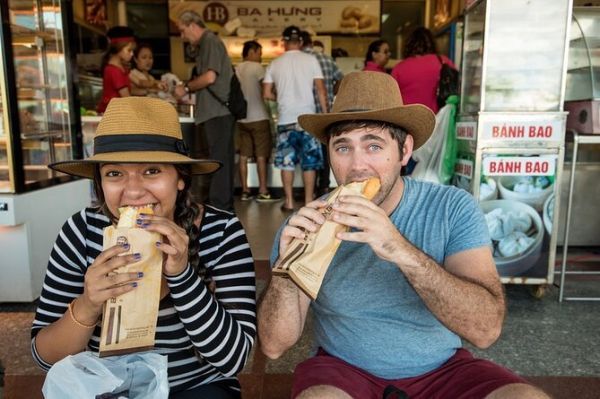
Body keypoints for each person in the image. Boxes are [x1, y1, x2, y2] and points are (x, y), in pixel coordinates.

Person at [257, 72, 549, 399]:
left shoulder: (452, 207)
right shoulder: (309, 222)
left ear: (404, 150)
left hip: (444, 369)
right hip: (342, 368)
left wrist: (399, 249)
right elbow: (273, 347)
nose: (357, 166)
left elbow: (485, 330)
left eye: (373, 145)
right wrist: (285, 271)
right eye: (343, 147)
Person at [32, 97, 257, 399]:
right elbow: (45, 357)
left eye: (152, 170)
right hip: (106, 387)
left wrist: (182, 275)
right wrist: (88, 304)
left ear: (180, 179)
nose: (134, 191)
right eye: (114, 173)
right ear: (99, 183)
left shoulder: (221, 232)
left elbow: (234, 358)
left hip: (197, 387)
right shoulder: (81, 233)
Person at [174, 10, 236, 211]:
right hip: (215, 113)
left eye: (183, 31)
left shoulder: (209, 41)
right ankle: (221, 205)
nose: (183, 36)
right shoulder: (207, 44)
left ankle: (220, 208)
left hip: (217, 113)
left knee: (219, 162)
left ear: (192, 25)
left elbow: (210, 77)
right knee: (220, 159)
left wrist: (186, 88)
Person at [263, 26, 328, 212]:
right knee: (310, 163)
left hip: (285, 120)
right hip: (307, 119)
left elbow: (266, 93)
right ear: (300, 42)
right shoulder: (311, 60)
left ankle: (289, 202)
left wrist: (281, 99)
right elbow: (321, 90)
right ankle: (308, 202)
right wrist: (324, 115)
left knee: (286, 163)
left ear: (283, 42)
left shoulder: (274, 63)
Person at [300, 30, 344, 196]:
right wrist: (332, 93)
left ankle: (308, 192)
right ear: (311, 42)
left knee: (308, 155)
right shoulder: (326, 58)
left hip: (305, 114)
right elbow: (341, 78)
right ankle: (324, 187)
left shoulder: (299, 61)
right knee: (326, 150)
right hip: (325, 113)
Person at [235, 40, 277, 202]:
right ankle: (263, 190)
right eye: (259, 53)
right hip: (259, 117)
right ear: (251, 52)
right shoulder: (257, 68)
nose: (260, 57)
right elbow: (266, 90)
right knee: (261, 156)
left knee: (244, 156)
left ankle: (245, 191)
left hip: (242, 119)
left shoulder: (237, 69)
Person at [391, 26, 457, 114]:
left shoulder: (399, 68)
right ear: (431, 43)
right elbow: (456, 86)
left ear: (409, 45)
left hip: (407, 121)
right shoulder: (443, 62)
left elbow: (391, 99)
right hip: (438, 119)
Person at [97, 26, 135, 114]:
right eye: (129, 50)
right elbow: (126, 98)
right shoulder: (114, 71)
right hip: (112, 115)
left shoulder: (119, 68)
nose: (132, 54)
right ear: (118, 48)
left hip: (116, 112)